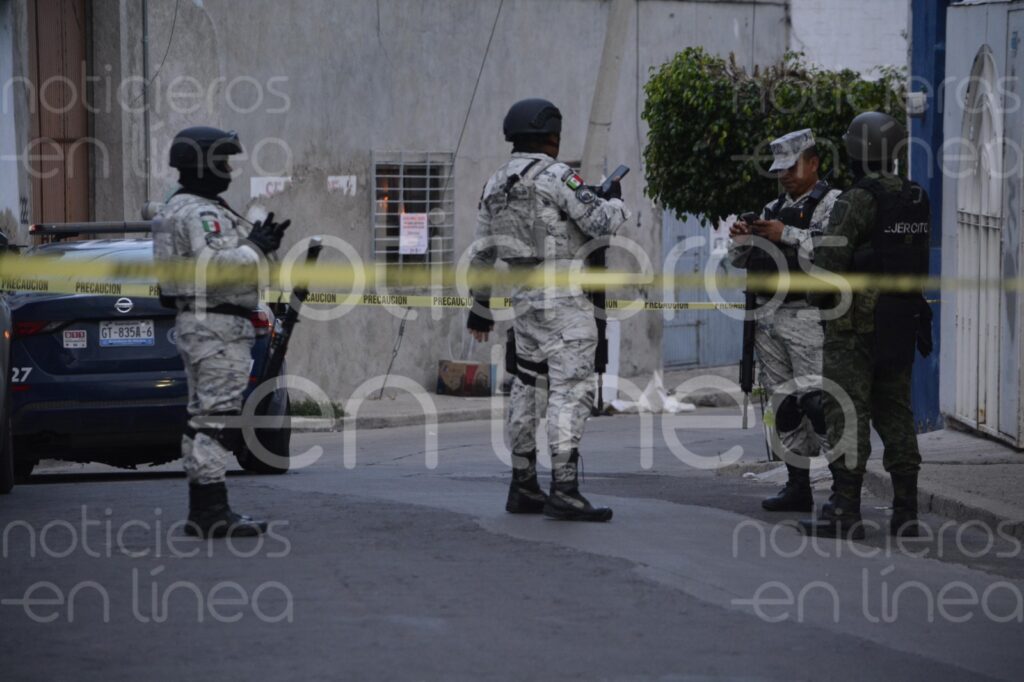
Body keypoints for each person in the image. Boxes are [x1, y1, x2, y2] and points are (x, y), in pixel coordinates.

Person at [467, 98, 630, 521]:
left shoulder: (495, 183)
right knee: (570, 391)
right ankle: (565, 490)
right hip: (565, 304)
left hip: (524, 303)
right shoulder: (557, 176)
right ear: (552, 137)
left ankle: (523, 485)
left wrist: (480, 306)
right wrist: (614, 201)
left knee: (527, 389)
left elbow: (481, 253)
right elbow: (600, 223)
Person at [799, 112, 932, 539]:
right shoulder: (916, 197)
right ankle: (906, 512)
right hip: (901, 320)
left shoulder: (856, 200)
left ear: (859, 151)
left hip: (854, 327)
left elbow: (828, 268)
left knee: (846, 412)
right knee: (896, 413)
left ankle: (844, 509)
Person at [154, 126, 290, 538]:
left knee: (205, 416)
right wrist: (254, 246)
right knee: (215, 418)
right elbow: (214, 269)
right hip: (217, 326)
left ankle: (206, 507)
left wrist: (260, 247)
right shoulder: (200, 213)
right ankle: (211, 510)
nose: (229, 170)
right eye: (223, 162)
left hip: (202, 324)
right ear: (202, 165)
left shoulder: (178, 208)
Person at [728, 129, 841, 512]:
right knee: (784, 405)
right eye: (780, 170)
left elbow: (833, 251)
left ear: (814, 163)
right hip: (769, 318)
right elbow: (740, 259)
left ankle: (843, 489)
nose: (785, 176)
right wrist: (742, 238)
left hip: (809, 316)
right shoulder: (771, 208)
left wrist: (786, 233)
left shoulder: (833, 203)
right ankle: (797, 485)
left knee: (817, 403)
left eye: (792, 168)